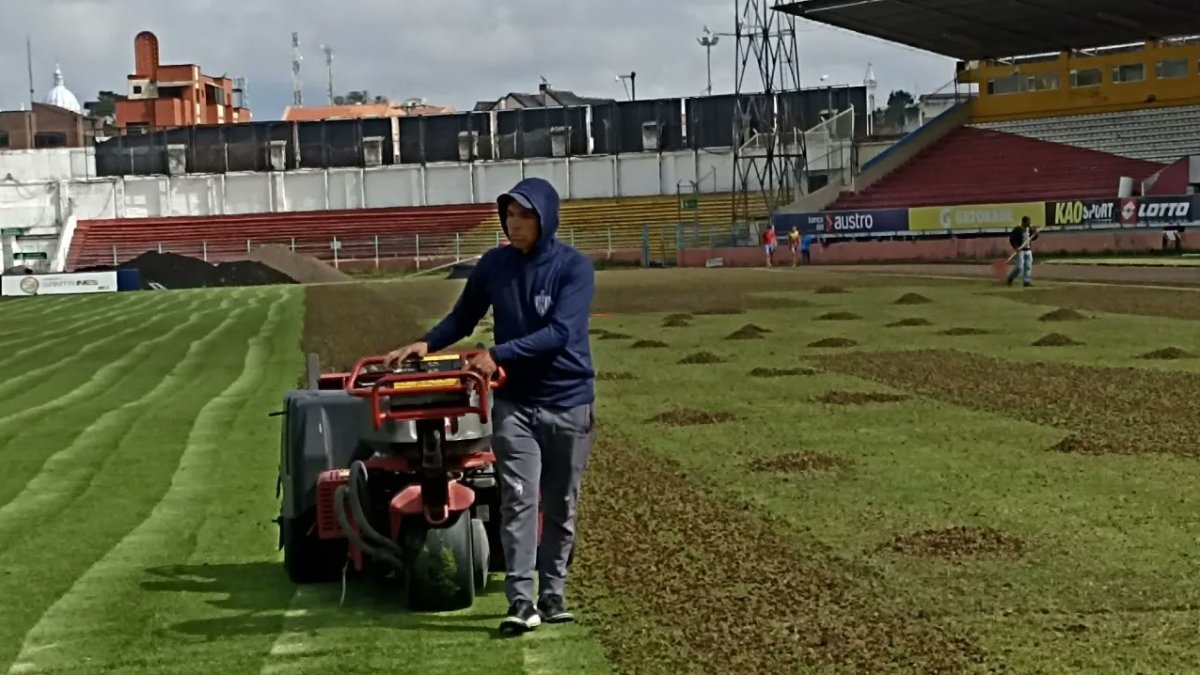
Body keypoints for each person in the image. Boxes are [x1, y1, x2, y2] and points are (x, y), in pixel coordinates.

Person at [383, 177, 596, 636]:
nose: (514, 225)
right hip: (515, 404)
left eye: (525, 216)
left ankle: (553, 593)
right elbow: (464, 317)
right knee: (519, 500)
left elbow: (561, 332)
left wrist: (498, 354)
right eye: (509, 215)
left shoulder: (574, 268)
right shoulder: (494, 266)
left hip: (568, 403)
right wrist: (426, 342)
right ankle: (521, 601)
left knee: (560, 504)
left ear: (546, 219)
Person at [1006, 216, 1039, 287]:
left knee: (1028, 266)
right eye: (1028, 221)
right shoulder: (1017, 229)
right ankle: (1010, 278)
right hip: (1020, 250)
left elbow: (1034, 238)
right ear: (1023, 222)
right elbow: (1012, 239)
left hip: (1028, 250)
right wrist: (1016, 247)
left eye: (1030, 221)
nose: (1029, 223)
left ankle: (1026, 281)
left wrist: (1036, 234)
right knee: (1019, 266)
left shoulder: (1030, 229)